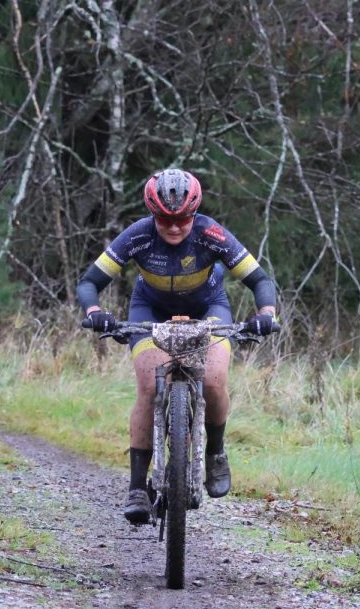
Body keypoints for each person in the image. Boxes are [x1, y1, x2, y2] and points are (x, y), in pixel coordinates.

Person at [76, 168, 279, 524]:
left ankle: (215, 452)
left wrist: (266, 313)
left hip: (208, 308)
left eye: (183, 220)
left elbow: (259, 279)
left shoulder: (211, 233)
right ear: (152, 215)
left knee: (213, 380)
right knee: (149, 387)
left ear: (194, 213)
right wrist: (95, 313)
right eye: (164, 220)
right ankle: (137, 488)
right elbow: (89, 282)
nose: (173, 228)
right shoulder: (137, 236)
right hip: (149, 310)